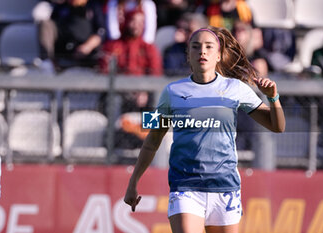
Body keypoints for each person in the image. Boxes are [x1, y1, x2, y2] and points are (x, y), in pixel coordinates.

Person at [124, 26, 285, 232]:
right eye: (196, 47)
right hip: (185, 187)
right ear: (188, 55)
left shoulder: (236, 88)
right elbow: (152, 140)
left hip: (225, 188)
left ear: (218, 56)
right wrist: (133, 181)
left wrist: (273, 97)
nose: (202, 51)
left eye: (209, 47)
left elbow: (278, 126)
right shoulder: (172, 91)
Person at [38, 0, 106, 70]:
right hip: (64, 48)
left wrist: (87, 47)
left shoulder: (93, 6)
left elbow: (101, 31)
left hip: (85, 50)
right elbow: (53, 24)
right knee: (45, 24)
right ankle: (47, 61)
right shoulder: (62, 6)